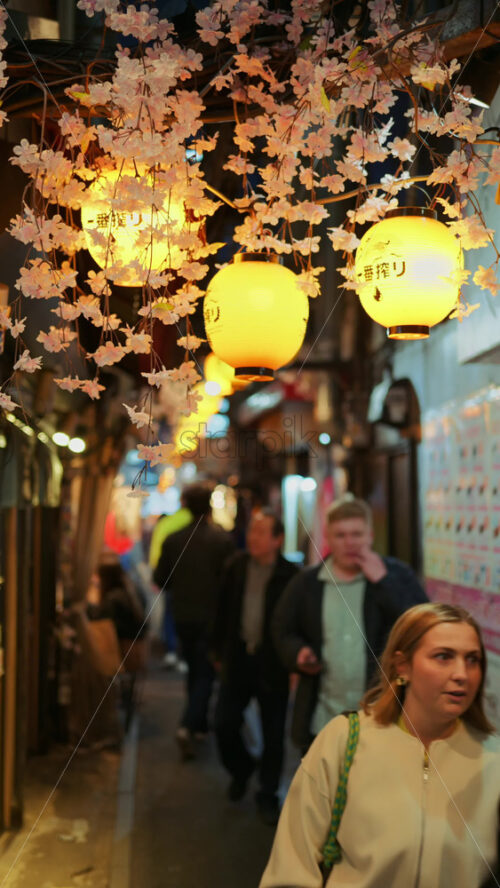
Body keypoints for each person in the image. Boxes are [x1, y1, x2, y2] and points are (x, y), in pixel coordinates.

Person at [260, 602, 500, 888]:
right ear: (402, 666)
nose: (462, 673)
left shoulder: (493, 759)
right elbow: (291, 868)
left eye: (472, 659)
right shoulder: (345, 739)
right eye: (443, 657)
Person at [273, 496, 428, 751]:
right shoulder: (307, 583)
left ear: (370, 535)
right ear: (328, 537)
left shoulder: (397, 575)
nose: (349, 543)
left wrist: (383, 582)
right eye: (340, 535)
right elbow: (282, 630)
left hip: (384, 718)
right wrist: (297, 653)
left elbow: (422, 627)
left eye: (356, 534)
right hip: (322, 718)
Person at [212, 509, 299, 825]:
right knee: (223, 723)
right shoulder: (236, 567)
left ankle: (267, 794)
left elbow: (296, 623)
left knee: (274, 733)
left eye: (262, 533)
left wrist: (294, 662)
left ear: (277, 540)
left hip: (272, 663)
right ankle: (242, 767)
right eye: (252, 531)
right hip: (238, 660)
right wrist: (216, 650)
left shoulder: (291, 575)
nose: (253, 538)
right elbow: (221, 609)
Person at [153, 483, 234, 759]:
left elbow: (160, 580)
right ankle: (190, 725)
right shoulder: (222, 541)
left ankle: (197, 724)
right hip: (213, 618)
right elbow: (230, 582)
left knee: (195, 668)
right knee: (206, 672)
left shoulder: (174, 539)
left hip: (183, 615)